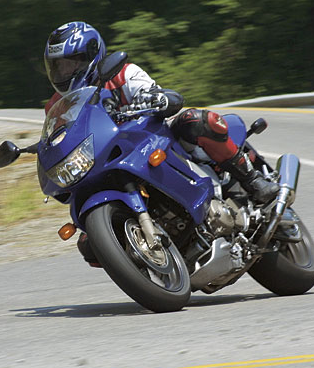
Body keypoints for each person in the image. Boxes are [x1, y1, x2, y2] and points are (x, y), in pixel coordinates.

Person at [43, 21, 277, 266]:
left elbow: (157, 93)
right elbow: (59, 138)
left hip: (149, 140)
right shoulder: (57, 106)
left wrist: (155, 98)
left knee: (195, 121)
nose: (64, 72)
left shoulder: (121, 74)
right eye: (58, 66)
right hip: (105, 157)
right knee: (88, 245)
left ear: (92, 55)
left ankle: (253, 181)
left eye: (71, 63)